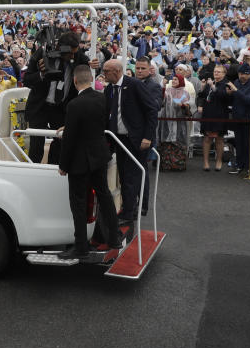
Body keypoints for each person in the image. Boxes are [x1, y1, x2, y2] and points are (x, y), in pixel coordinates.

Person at [57, 65, 122, 258]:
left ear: (75, 81)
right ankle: (114, 237)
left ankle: (81, 247)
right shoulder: (101, 98)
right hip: (99, 155)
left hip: (79, 160)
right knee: (105, 196)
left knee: (78, 203)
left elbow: (69, 139)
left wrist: (63, 164)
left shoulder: (75, 105)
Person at [102, 58, 158, 223]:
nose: (103, 74)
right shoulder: (109, 89)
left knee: (132, 176)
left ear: (117, 71)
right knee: (125, 175)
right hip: (118, 139)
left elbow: (152, 110)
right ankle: (130, 208)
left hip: (137, 139)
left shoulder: (135, 85)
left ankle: (129, 212)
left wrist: (148, 136)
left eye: (106, 71)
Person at [24, 31, 89, 164]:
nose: (72, 56)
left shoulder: (78, 56)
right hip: (39, 107)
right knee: (36, 145)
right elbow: (27, 80)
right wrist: (41, 74)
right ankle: (33, 173)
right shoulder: (42, 53)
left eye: (74, 53)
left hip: (61, 109)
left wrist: (93, 65)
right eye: (70, 53)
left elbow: (88, 67)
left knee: (61, 142)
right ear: (60, 48)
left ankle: (55, 173)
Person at [198, 63, 232, 172]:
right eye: (215, 71)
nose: (216, 73)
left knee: (219, 139)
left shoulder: (227, 84)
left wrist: (213, 87)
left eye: (218, 72)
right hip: (208, 113)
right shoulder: (210, 82)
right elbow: (202, 96)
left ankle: (219, 161)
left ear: (224, 73)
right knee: (207, 138)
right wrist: (203, 88)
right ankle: (206, 162)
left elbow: (224, 97)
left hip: (220, 113)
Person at [228, 62, 250, 174]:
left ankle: (248, 166)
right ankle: (239, 165)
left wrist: (236, 91)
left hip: (248, 119)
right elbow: (234, 99)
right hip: (237, 117)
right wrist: (230, 93)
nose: (242, 76)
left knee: (247, 143)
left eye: (245, 74)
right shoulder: (237, 82)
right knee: (238, 143)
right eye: (240, 73)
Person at [158, 74, 192, 171]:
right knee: (166, 142)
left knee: (178, 142)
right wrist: (163, 88)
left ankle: (178, 165)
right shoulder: (167, 91)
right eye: (173, 79)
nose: (173, 81)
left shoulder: (185, 93)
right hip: (166, 121)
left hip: (179, 123)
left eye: (176, 79)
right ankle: (166, 165)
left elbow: (188, 108)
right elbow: (161, 102)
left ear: (181, 81)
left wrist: (183, 106)